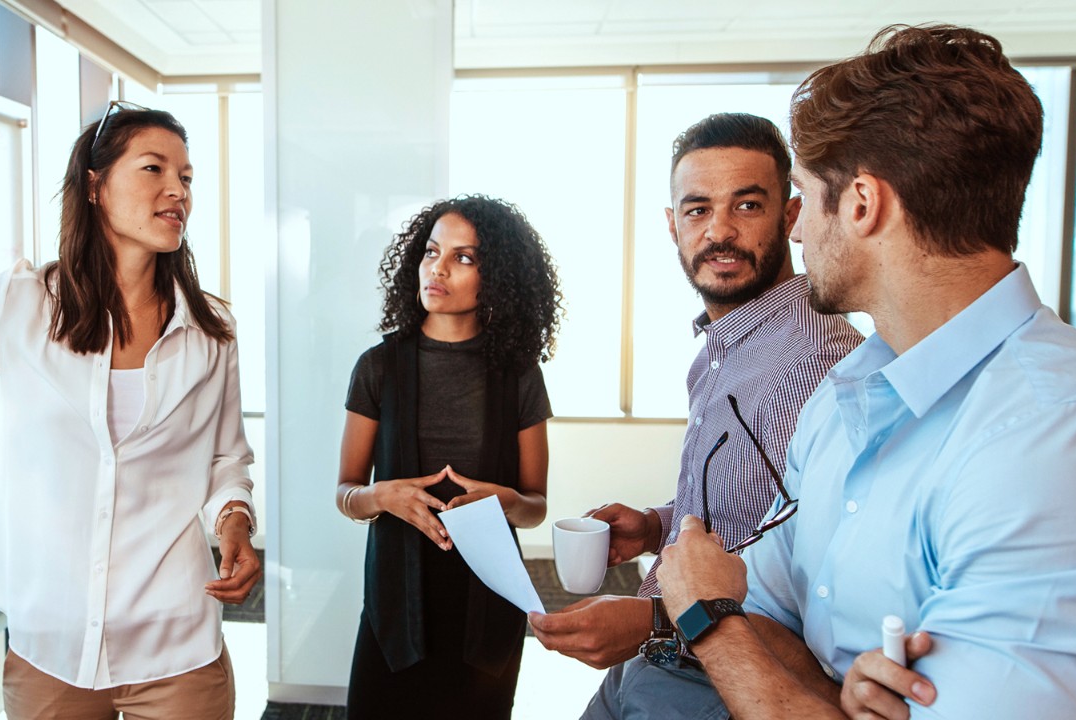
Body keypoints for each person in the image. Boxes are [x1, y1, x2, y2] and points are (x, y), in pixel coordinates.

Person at [652, 24, 1076, 719]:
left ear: (861, 204)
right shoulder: (843, 396)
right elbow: (769, 609)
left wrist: (707, 618)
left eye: (802, 197)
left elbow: (734, 615)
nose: (796, 233)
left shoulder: (1051, 438)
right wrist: (832, 691)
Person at [0, 102, 259, 719]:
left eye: (188, 177)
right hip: (51, 647)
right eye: (154, 169)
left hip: (178, 645)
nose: (178, 190)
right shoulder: (22, 304)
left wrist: (235, 525)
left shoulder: (210, 329)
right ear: (95, 185)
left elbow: (227, 456)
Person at [528, 113, 862, 718]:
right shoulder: (721, 347)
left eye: (747, 206)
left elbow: (793, 571)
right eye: (698, 210)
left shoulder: (818, 360)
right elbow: (747, 506)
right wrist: (658, 526)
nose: (720, 232)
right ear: (672, 225)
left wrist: (653, 618)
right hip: (659, 650)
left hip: (721, 676)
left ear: (790, 217)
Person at [336, 195, 564, 719]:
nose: (437, 268)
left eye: (464, 258)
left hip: (486, 607)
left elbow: (534, 506)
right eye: (432, 251)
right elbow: (345, 492)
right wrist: (379, 495)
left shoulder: (519, 374)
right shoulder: (378, 368)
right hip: (396, 607)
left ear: (497, 278)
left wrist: (504, 499)